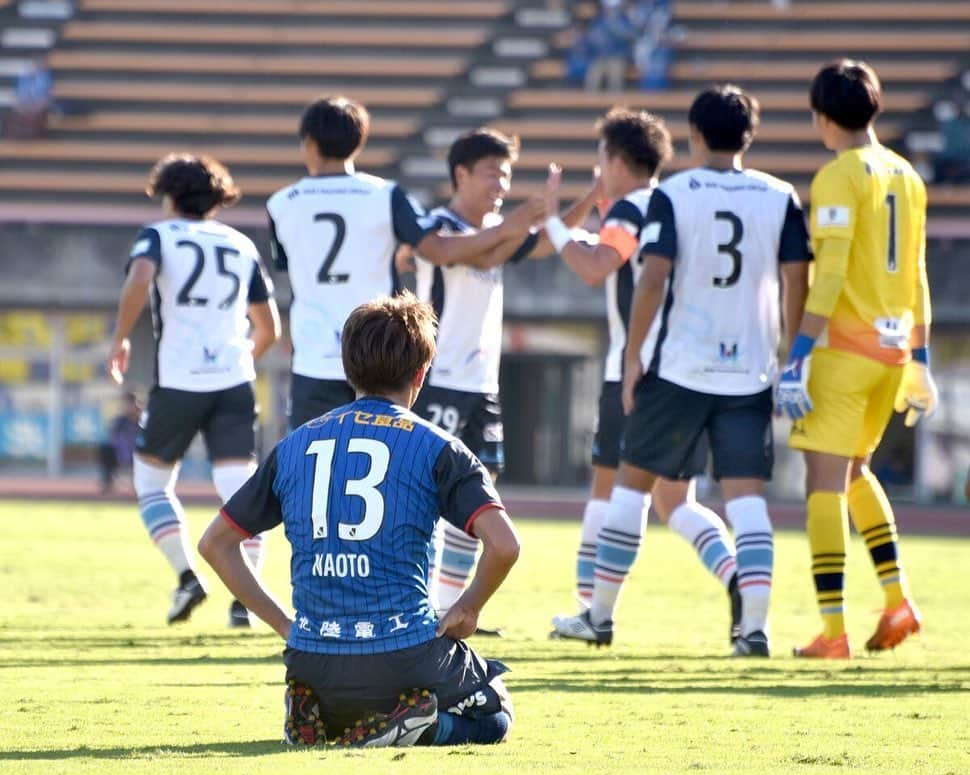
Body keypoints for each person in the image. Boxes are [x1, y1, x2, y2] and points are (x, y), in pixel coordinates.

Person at [550, 86, 811, 656]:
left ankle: (598, 616)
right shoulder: (780, 195)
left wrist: (633, 352)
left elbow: (653, 277)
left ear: (694, 135)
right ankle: (756, 628)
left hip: (679, 368)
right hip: (749, 370)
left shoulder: (674, 193)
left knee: (631, 487)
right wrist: (791, 353)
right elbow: (796, 278)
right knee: (747, 500)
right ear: (751, 135)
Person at [198, 292, 519, 749]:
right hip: (405, 653)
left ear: (347, 368)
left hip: (312, 657)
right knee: (494, 714)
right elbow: (504, 545)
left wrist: (286, 627)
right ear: (421, 373)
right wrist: (467, 607)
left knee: (351, 695)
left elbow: (215, 544)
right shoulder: (438, 447)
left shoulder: (294, 446)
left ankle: (319, 717)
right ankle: (421, 726)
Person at [544, 107, 747, 648]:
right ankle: (739, 580)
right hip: (687, 372)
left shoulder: (636, 207)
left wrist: (552, 226)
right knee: (675, 503)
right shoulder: (681, 203)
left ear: (614, 159)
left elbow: (596, 266)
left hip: (633, 371)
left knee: (608, 489)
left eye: (601, 159)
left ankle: (591, 610)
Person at [403, 128, 597, 627]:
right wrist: (520, 220)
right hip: (439, 379)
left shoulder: (499, 228)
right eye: (492, 172)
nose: (501, 183)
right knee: (423, 493)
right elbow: (462, 253)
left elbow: (541, 244)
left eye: (507, 174)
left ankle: (447, 608)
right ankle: (415, 601)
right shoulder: (437, 226)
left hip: (482, 386)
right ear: (460, 174)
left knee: (478, 493)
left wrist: (591, 196)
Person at [777, 60, 937, 659]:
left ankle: (833, 630)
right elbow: (917, 274)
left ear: (821, 117)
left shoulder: (839, 176)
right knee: (854, 474)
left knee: (822, 484)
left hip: (843, 352)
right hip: (893, 354)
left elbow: (833, 273)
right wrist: (920, 356)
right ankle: (897, 599)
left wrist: (797, 355)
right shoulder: (908, 176)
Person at [267, 95, 543, 431]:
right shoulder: (386, 195)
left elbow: (287, 268)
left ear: (308, 144)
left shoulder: (281, 203)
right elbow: (438, 250)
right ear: (359, 142)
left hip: (313, 359)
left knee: (310, 467)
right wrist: (509, 229)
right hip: (376, 354)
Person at [107, 153, 282, 627]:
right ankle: (244, 601)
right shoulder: (240, 242)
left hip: (179, 382)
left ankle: (187, 577)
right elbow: (269, 328)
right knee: (239, 490)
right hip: (234, 381)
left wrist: (121, 336)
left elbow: (141, 276)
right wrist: (240, 358)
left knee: (151, 482)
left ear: (169, 194)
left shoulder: (159, 235)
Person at [97, 391, 142, 494]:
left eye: (129, 404)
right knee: (106, 449)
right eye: (125, 404)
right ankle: (108, 483)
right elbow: (113, 436)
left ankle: (141, 485)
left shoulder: (143, 420)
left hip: (139, 453)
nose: (126, 407)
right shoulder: (120, 421)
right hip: (122, 453)